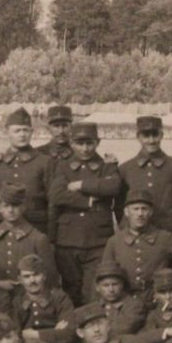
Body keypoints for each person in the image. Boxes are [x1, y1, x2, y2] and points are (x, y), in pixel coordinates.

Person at [47, 121, 123, 305]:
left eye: (90, 143)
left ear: (98, 142)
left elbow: (113, 186)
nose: (85, 148)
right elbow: (56, 195)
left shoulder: (107, 165)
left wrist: (81, 185)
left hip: (97, 240)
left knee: (93, 289)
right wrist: (88, 201)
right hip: (68, 239)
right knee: (70, 287)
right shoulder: (63, 166)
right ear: (71, 143)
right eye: (80, 143)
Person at [96, 189, 172, 297]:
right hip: (126, 299)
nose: (140, 214)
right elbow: (105, 274)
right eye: (135, 209)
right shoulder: (115, 241)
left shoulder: (165, 238)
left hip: (158, 298)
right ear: (126, 212)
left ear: (151, 212)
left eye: (144, 209)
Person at [0, 185, 58, 290]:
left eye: (15, 205)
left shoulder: (38, 239)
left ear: (23, 207)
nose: (11, 210)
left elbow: (50, 278)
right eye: (6, 205)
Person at [0, 107, 49, 231]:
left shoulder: (44, 162)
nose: (22, 135)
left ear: (32, 132)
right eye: (17, 131)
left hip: (36, 228)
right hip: (3, 228)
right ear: (7, 132)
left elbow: (53, 202)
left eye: (26, 130)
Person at [118, 115, 172, 234]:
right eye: (146, 135)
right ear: (138, 137)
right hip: (134, 234)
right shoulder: (125, 169)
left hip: (166, 232)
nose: (151, 140)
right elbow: (120, 206)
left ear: (161, 135)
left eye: (155, 135)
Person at [11, 254, 74, 343]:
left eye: (36, 274)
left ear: (44, 275)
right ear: (20, 280)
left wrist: (33, 334)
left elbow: (69, 334)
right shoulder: (17, 302)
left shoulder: (60, 298)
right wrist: (54, 332)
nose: (32, 280)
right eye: (27, 276)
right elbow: (14, 337)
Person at [91, 267, 147, 338]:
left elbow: (124, 329)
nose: (111, 289)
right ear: (97, 288)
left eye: (115, 284)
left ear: (122, 285)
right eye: (106, 285)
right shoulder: (94, 306)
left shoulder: (135, 305)